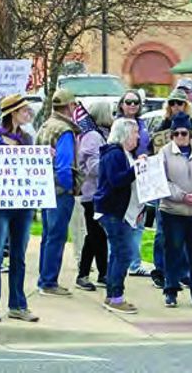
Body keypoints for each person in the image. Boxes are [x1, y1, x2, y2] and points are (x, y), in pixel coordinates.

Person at [0, 94, 40, 323]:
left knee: (19, 255)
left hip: (22, 206)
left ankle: (18, 304)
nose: (28, 114)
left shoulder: (26, 139)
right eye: (24, 110)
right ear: (13, 113)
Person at [95, 118, 147, 315]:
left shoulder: (124, 153)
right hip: (113, 211)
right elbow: (117, 180)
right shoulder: (114, 153)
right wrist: (136, 168)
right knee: (123, 254)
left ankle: (112, 295)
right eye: (135, 133)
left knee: (118, 254)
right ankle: (116, 297)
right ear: (125, 134)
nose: (138, 136)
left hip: (121, 211)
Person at [159, 113, 192, 309]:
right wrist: (182, 196)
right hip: (173, 210)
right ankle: (170, 290)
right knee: (173, 250)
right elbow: (162, 181)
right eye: (176, 134)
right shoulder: (164, 153)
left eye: (184, 133)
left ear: (190, 134)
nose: (180, 137)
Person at [35, 88, 80, 297]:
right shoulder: (64, 130)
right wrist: (69, 186)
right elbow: (64, 165)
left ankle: (44, 277)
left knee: (47, 235)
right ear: (70, 106)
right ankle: (49, 281)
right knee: (56, 235)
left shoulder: (45, 126)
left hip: (44, 187)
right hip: (59, 190)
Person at [74, 101, 112, 292]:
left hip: (100, 193)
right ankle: (84, 274)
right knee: (95, 234)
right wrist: (111, 167)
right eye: (110, 112)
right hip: (92, 193)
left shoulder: (99, 135)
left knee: (97, 235)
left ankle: (101, 273)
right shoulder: (93, 137)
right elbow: (92, 167)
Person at [116, 90, 151, 278]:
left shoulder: (144, 124)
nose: (132, 105)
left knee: (139, 221)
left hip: (143, 175)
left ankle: (135, 263)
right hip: (127, 172)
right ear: (121, 104)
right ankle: (119, 264)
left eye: (136, 102)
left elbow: (149, 146)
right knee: (123, 223)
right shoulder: (118, 124)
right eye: (128, 101)